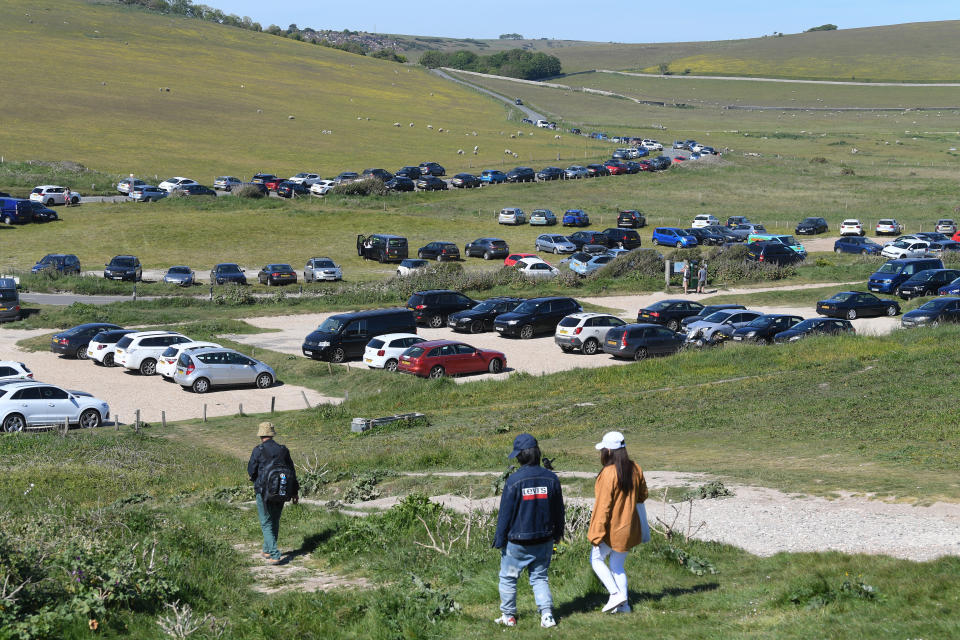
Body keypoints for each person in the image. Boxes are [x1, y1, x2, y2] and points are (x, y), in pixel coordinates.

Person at [492, 433, 565, 629]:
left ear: (521, 456)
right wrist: (559, 533)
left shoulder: (514, 480)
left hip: (517, 546)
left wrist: (499, 538)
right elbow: (559, 510)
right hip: (544, 541)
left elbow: (505, 514)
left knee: (509, 577)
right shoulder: (551, 478)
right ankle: (547, 616)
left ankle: (508, 616)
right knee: (539, 577)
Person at [587, 431, 649, 614]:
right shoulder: (635, 468)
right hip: (630, 528)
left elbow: (603, 508)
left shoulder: (608, 473)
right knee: (617, 566)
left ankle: (615, 594)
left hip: (611, 529)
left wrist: (596, 535)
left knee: (596, 559)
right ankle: (625, 606)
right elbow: (643, 495)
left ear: (608, 451)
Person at [247, 421, 299, 565]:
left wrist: (255, 480)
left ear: (261, 435)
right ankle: (267, 549)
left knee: (265, 522)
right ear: (272, 434)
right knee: (274, 520)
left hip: (263, 491)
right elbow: (292, 473)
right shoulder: (283, 450)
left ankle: (275, 554)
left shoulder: (258, 450)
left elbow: (251, 470)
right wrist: (295, 492)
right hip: (282, 490)